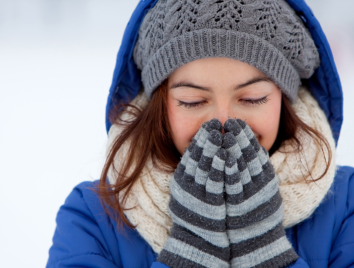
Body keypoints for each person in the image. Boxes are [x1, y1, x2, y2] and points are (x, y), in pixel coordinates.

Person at [46, 0, 354, 267]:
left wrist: (266, 252)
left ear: (284, 101)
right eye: (192, 101)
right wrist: (190, 253)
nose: (223, 122)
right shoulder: (93, 219)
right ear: (161, 105)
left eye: (251, 98)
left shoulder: (346, 206)